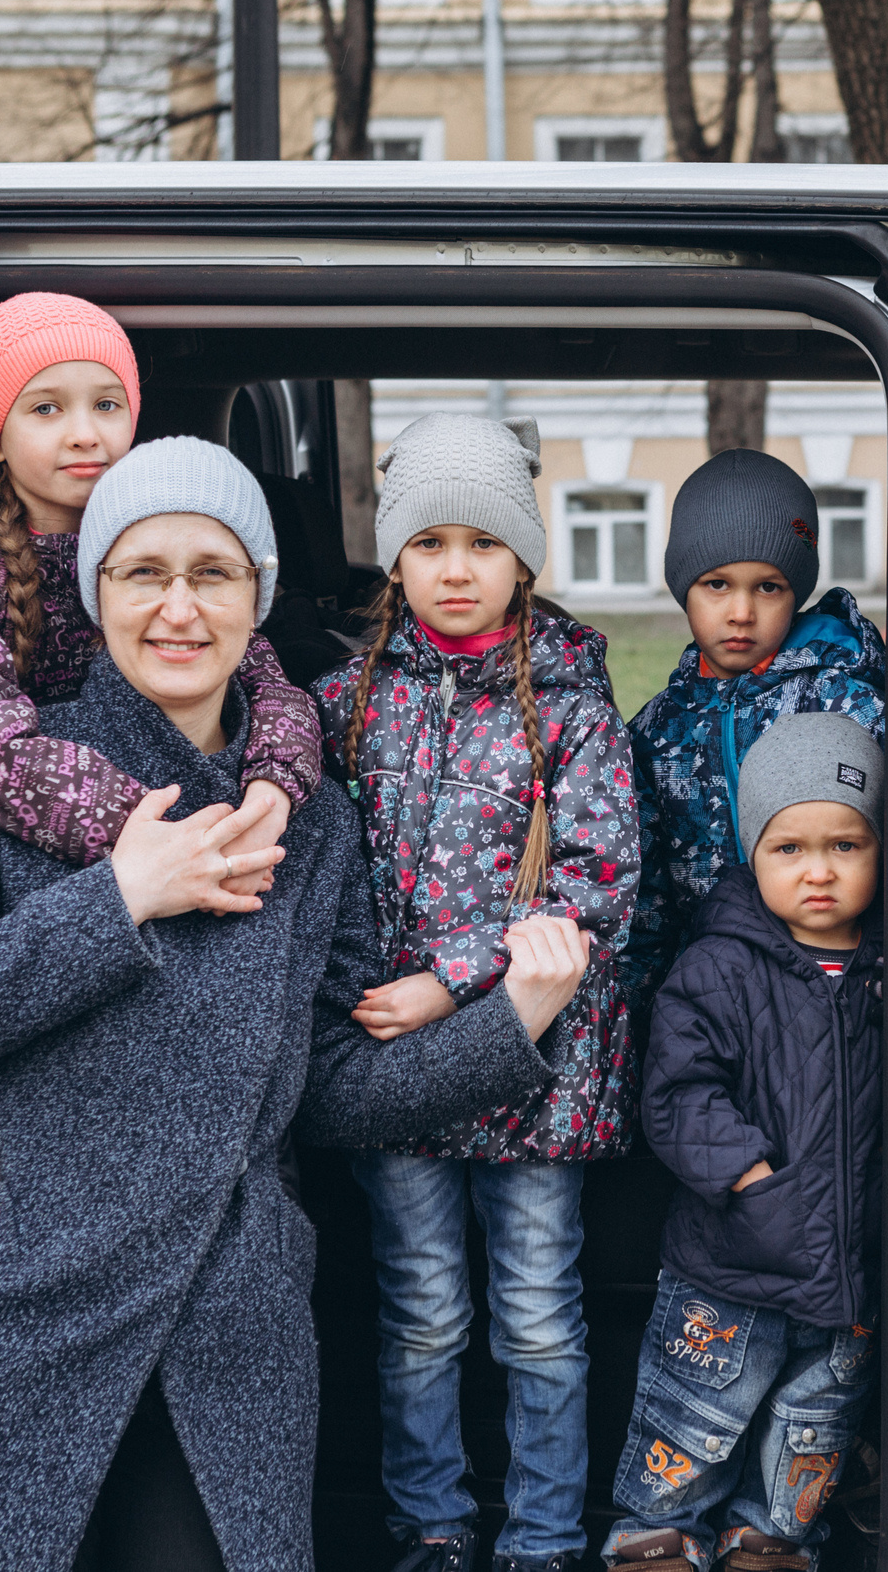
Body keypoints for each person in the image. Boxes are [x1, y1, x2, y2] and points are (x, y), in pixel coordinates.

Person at [0, 436, 595, 1572]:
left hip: (221, 1322)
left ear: (260, 603)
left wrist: (511, 1024)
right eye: (144, 572)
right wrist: (121, 898)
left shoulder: (311, 822)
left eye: (215, 573)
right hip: (11, 1302)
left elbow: (329, 1086)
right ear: (95, 597)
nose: (179, 607)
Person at [309, 412, 642, 1572]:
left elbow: (601, 879)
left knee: (540, 1321)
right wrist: (369, 997)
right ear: (396, 557)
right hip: (396, 1069)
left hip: (531, 1073)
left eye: (485, 544)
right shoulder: (345, 703)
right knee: (422, 1315)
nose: (458, 569)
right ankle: (434, 1525)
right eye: (431, 542)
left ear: (522, 559)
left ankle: (545, 1536)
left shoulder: (569, 701)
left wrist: (451, 987)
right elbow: (315, 872)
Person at [0, 291, 318, 892]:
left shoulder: (160, 538)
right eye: (46, 410)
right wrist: (157, 835)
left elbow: (270, 686)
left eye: (105, 404)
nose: (83, 434)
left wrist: (276, 786)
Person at [601, 713, 886, 1572]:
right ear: (751, 855)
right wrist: (753, 1177)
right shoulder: (716, 967)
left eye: (846, 844)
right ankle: (656, 1538)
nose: (820, 871)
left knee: (813, 1426)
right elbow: (679, 1095)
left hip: (849, 1267)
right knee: (693, 1418)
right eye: (789, 848)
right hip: (731, 1260)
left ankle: (768, 1539)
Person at [626, 449, 886, 1005]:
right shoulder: (656, 731)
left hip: (840, 983)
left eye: (768, 587)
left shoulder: (846, 704)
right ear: (682, 587)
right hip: (714, 996)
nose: (741, 611)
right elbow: (647, 901)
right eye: (716, 585)